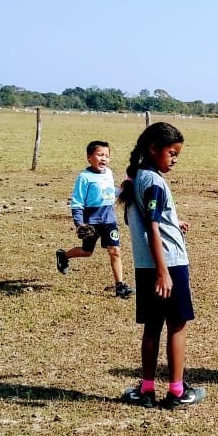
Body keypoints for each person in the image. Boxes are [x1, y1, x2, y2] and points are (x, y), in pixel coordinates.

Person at [120, 122, 205, 408]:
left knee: (152, 327)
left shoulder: (136, 178)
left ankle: (146, 390)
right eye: (172, 153)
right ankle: (177, 392)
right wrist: (163, 272)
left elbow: (144, 220)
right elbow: (153, 226)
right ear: (154, 149)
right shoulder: (154, 183)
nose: (175, 160)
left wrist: (174, 223)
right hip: (168, 266)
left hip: (146, 266)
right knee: (177, 326)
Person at [55, 141, 132, 299]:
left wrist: (123, 190)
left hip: (109, 220)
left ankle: (120, 286)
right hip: (91, 222)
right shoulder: (84, 177)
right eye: (100, 155)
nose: (104, 158)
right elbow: (77, 202)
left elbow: (109, 191)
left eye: (107, 156)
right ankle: (63, 256)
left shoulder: (108, 173)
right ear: (89, 157)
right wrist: (79, 224)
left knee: (115, 251)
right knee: (87, 252)